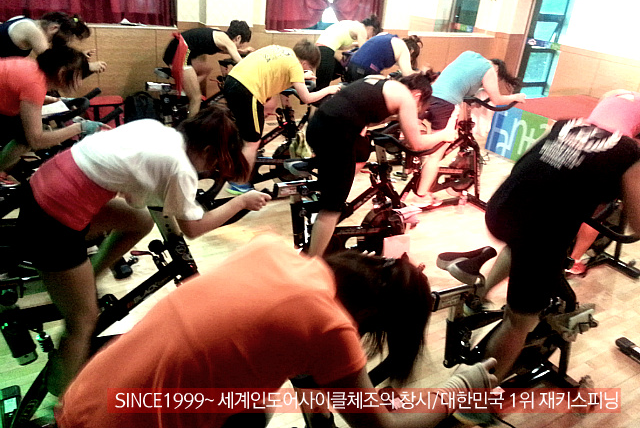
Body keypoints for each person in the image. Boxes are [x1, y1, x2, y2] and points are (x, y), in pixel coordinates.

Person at [55, 234, 497, 428]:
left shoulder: (271, 250)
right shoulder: (328, 324)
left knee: (255, 405)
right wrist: (459, 387)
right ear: (368, 313)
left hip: (85, 398)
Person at [15, 105, 271, 396]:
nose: (208, 171)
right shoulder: (178, 166)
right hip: (51, 217)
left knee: (140, 221)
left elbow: (135, 195)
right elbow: (194, 228)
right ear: (208, 150)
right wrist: (240, 202)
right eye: (213, 163)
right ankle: (61, 401)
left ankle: (90, 276)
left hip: (42, 187)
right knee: (82, 321)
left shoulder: (156, 129)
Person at [475, 89, 640, 385]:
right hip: (540, 231)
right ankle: (474, 398)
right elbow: (638, 225)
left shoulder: (567, 124)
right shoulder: (629, 153)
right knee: (520, 321)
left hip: (501, 209)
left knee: (519, 245)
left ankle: (477, 297)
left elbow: (526, 165)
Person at [305, 72, 459, 258]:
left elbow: (360, 106)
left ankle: (332, 190)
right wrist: (444, 135)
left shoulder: (382, 81)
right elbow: (417, 144)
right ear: (417, 95)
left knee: (361, 152)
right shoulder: (406, 98)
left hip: (318, 125)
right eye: (419, 107)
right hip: (334, 135)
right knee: (331, 210)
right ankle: (311, 263)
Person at [407, 51, 526, 207]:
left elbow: (460, 83)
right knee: (435, 155)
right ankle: (421, 196)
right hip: (445, 104)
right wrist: (516, 97)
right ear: (497, 70)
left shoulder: (467, 55)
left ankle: (413, 169)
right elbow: (497, 99)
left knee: (422, 140)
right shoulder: (489, 70)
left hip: (428, 96)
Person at [222, 40, 341, 195]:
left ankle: (235, 168)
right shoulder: (295, 65)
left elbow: (278, 72)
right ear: (304, 63)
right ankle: (239, 184)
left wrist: (302, 75)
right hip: (246, 89)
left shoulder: (284, 51)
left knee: (246, 135)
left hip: (233, 81)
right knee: (252, 142)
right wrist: (329, 90)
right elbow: (307, 98)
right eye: (308, 68)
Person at [0, 45, 106, 175]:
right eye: (78, 77)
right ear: (62, 73)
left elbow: (16, 89)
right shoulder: (35, 85)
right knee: (27, 138)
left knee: (27, 133)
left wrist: (46, 99)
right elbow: (36, 141)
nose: (79, 83)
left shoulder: (32, 67)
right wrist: (80, 127)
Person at [162, 21, 253, 117]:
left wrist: (243, 51)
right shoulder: (227, 42)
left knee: (206, 69)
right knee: (196, 99)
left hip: (178, 50)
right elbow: (241, 63)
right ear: (238, 38)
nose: (239, 47)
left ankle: (188, 90)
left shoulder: (221, 35)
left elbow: (227, 50)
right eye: (241, 45)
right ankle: (190, 124)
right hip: (178, 54)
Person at [0, 12, 107, 84]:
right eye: (52, 40)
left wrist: (79, 57)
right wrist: (87, 66)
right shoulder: (33, 31)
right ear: (54, 28)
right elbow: (52, 65)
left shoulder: (21, 19)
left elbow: (54, 56)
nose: (48, 42)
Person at [314, 15, 382, 90]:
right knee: (322, 86)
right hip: (326, 51)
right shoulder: (362, 29)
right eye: (372, 34)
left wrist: (354, 45)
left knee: (326, 79)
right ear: (371, 28)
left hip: (319, 49)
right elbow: (363, 51)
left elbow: (339, 47)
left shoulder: (352, 25)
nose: (369, 37)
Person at [344, 32, 423, 82]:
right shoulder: (403, 48)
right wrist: (423, 74)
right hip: (364, 69)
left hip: (351, 63)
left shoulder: (385, 35)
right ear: (411, 51)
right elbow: (408, 74)